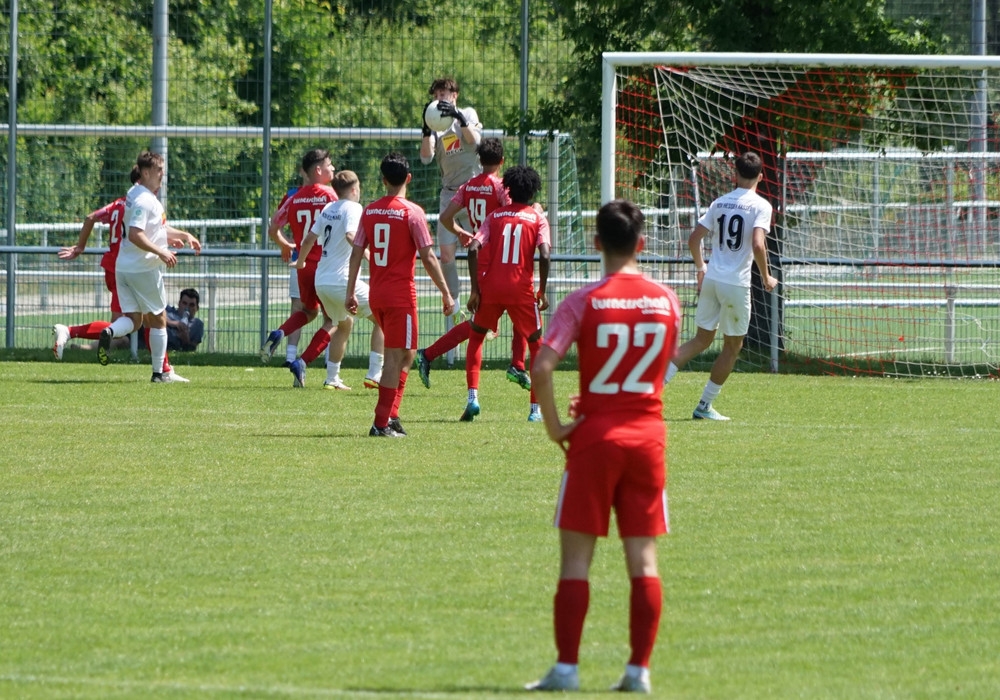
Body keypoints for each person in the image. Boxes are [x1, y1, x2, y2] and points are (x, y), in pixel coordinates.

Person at [526, 200, 682, 693]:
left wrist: (556, 427)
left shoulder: (583, 301)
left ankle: (567, 670)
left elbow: (541, 367)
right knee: (644, 561)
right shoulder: (667, 301)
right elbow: (652, 368)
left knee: (576, 562)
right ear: (642, 244)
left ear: (596, 244)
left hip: (594, 439)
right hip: (647, 438)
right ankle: (638, 672)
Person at [345, 152, 454, 437]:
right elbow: (428, 256)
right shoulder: (412, 212)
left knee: (407, 354)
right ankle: (381, 423)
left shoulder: (370, 211)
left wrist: (350, 292)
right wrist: (446, 292)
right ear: (409, 178)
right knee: (395, 358)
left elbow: (356, 253)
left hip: (378, 294)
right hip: (400, 297)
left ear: (383, 180)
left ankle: (391, 415)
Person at [664, 151, 778, 421]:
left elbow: (694, 239)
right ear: (761, 177)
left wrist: (701, 268)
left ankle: (649, 392)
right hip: (735, 284)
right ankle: (704, 406)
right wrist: (766, 276)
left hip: (712, 279)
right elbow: (758, 244)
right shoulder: (761, 205)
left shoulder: (719, 202)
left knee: (700, 340)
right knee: (733, 346)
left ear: (735, 175)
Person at [414, 137, 530, 392]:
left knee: (498, 318)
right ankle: (429, 354)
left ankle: (517, 364)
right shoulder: (500, 187)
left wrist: (460, 232)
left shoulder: (468, 186)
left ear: (479, 159)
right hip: (494, 259)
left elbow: (445, 217)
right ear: (502, 161)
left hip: (481, 258)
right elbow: (512, 216)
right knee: (486, 323)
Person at [96, 151, 201, 382]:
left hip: (124, 267)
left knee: (135, 320)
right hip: (142, 269)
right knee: (159, 319)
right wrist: (161, 251)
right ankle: (160, 373)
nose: (162, 174)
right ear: (145, 173)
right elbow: (136, 234)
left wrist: (183, 235)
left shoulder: (134, 193)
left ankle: (109, 331)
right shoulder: (144, 200)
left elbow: (155, 228)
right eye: (158, 170)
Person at [461, 165, 550, 423]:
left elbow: (473, 248)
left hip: (492, 287)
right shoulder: (537, 219)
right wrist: (542, 290)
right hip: (521, 289)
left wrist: (475, 290)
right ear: (533, 192)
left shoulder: (495, 216)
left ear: (508, 189)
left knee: (476, 337)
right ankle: (535, 410)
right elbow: (545, 255)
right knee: (536, 345)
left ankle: (473, 398)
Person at [289, 170, 385, 390]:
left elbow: (309, 239)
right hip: (341, 281)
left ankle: (329, 376)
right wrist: (369, 255)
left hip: (322, 280)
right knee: (384, 318)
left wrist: (301, 262)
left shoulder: (328, 208)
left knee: (342, 323)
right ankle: (374, 373)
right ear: (355, 189)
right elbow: (351, 235)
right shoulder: (354, 208)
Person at [419, 76, 483, 365]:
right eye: (437, 94)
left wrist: (459, 117)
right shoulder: (435, 122)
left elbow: (476, 143)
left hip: (473, 192)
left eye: (445, 93)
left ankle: (479, 300)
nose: (440, 98)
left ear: (455, 95)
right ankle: (453, 302)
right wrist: (426, 130)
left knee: (478, 250)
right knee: (446, 255)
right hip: (449, 194)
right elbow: (426, 158)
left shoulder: (467, 113)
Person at [260, 149, 338, 364]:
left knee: (308, 312)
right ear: (319, 170)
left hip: (303, 266)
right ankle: (314, 363)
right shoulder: (331, 196)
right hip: (326, 266)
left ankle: (280, 332)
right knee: (334, 318)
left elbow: (273, 227)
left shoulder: (295, 197)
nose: (333, 168)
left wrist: (285, 245)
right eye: (329, 165)